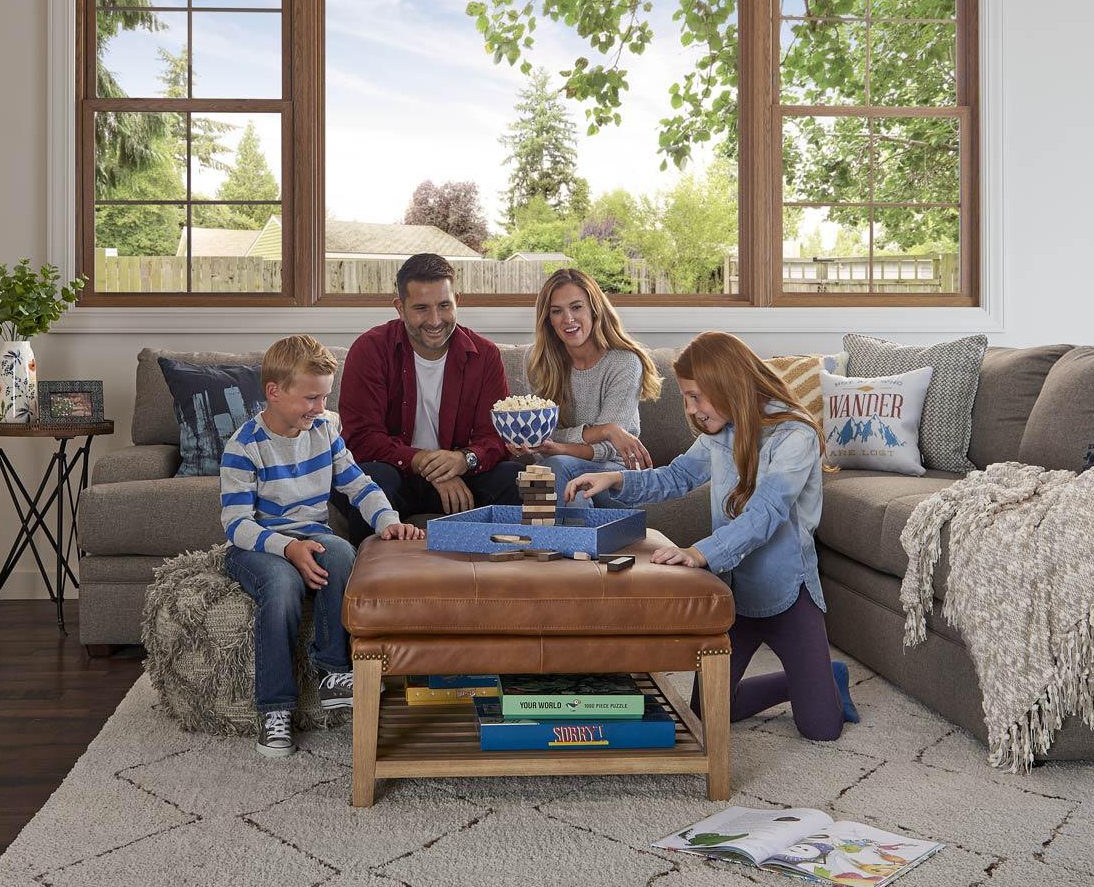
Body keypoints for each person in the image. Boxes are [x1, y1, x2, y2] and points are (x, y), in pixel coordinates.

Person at [566, 331, 855, 741]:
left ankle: (827, 678)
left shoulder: (796, 436)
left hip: (789, 595)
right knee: (710, 712)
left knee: (821, 728)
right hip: (737, 596)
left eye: (696, 396)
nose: (691, 409)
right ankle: (811, 679)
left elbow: (765, 514)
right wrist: (615, 478)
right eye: (686, 397)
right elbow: (678, 476)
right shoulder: (721, 432)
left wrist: (700, 554)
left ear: (729, 384)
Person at [220, 334, 423, 759]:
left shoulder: (325, 431)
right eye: (311, 398)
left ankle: (334, 670)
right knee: (280, 589)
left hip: (313, 533)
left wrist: (389, 521)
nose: (320, 407)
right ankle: (275, 709)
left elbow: (358, 485)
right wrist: (287, 549)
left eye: (324, 396)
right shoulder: (243, 446)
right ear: (274, 392)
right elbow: (236, 524)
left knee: (345, 553)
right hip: (258, 543)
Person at [334, 253, 518, 543]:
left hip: (461, 478)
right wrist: (423, 462)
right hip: (394, 477)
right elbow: (361, 438)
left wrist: (465, 460)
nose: (435, 320)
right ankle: (373, 584)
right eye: (421, 308)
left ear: (457, 300)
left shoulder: (485, 356)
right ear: (400, 308)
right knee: (372, 478)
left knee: (515, 478)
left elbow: (496, 437)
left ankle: (506, 579)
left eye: (444, 306)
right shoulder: (370, 350)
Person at [516, 267, 662, 504]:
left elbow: (609, 449)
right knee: (547, 474)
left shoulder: (624, 362)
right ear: (548, 319)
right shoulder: (538, 361)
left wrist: (560, 447)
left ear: (595, 309)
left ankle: (563, 540)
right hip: (553, 471)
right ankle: (571, 539)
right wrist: (604, 430)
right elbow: (541, 436)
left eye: (576, 307)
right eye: (556, 311)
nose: (568, 319)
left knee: (555, 470)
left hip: (613, 473)